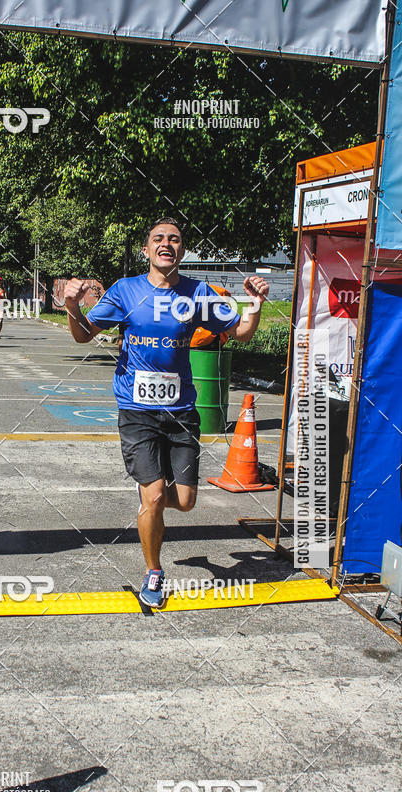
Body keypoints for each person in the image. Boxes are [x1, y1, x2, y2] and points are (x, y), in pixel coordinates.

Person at [64, 217, 269, 608]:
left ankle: (150, 501)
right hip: (137, 410)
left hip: (181, 411)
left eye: (174, 240)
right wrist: (72, 306)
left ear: (182, 250)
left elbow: (240, 332)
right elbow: (83, 334)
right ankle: (153, 570)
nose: (166, 244)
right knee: (156, 495)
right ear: (146, 250)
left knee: (187, 500)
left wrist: (254, 306)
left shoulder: (197, 292)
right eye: (158, 239)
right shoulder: (126, 291)